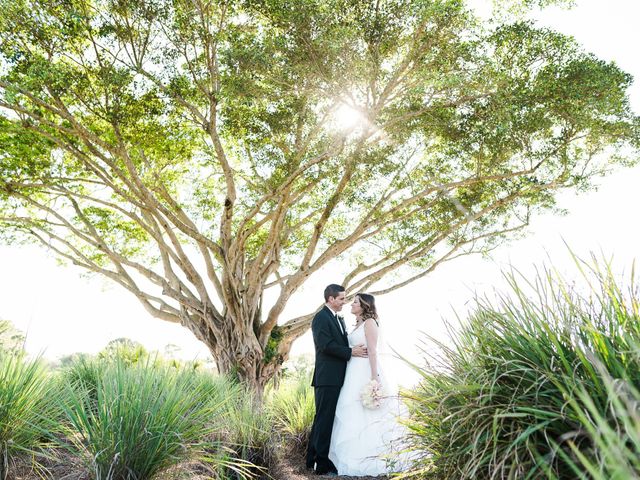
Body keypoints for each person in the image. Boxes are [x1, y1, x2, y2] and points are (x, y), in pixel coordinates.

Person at [328, 292, 410, 476]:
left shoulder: (370, 323)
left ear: (364, 305)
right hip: (352, 372)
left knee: (370, 414)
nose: (351, 304)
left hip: (365, 371)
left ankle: (375, 459)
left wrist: (374, 378)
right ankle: (351, 459)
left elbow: (373, 351)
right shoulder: (356, 324)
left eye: (355, 302)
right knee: (352, 412)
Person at [307, 284, 368, 476]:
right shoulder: (321, 317)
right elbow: (325, 346)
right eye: (341, 299)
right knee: (324, 419)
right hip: (327, 378)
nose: (344, 302)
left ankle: (313, 459)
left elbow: (339, 343)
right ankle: (320, 464)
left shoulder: (337, 318)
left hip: (338, 377)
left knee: (324, 419)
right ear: (331, 299)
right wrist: (351, 352)